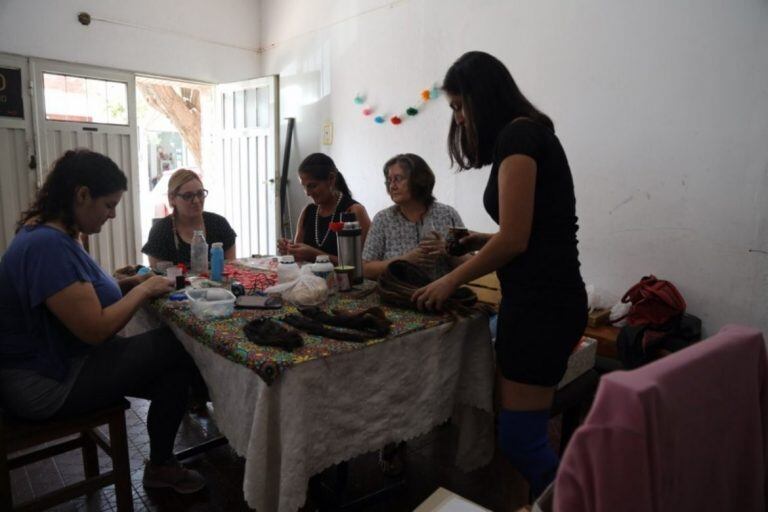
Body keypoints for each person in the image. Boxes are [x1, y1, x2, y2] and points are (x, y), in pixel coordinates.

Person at [412, 51, 588, 500]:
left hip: (542, 307)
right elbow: (531, 229)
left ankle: (579, 501)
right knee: (520, 433)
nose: (458, 117)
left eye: (457, 106)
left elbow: (515, 240)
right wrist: (476, 238)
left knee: (521, 439)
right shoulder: (529, 133)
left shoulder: (519, 137)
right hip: (544, 300)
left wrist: (450, 280)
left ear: (479, 97)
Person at [0, 149, 206, 494]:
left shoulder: (57, 234)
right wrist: (145, 290)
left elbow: (78, 296)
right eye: (109, 205)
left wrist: (130, 284)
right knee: (174, 343)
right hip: (45, 385)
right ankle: (205, 422)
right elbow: (94, 329)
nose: (112, 215)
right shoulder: (47, 246)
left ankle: (161, 465)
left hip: (62, 363)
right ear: (82, 195)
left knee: (174, 372)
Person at [363, 153, 469, 281]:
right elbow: (365, 269)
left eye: (398, 178)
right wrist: (405, 260)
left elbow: (470, 264)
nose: (392, 186)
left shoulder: (448, 214)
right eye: (389, 180)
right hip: (396, 296)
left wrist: (447, 250)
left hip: (442, 297)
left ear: (418, 180)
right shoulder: (383, 219)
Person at [277, 153, 370, 263]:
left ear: (331, 179)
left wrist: (315, 255)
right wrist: (289, 250)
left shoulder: (353, 211)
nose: (307, 193)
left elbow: (362, 264)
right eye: (304, 186)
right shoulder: (308, 211)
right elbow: (298, 257)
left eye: (312, 186)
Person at [142, 169, 236, 268]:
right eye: (188, 196)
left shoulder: (219, 224)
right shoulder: (161, 231)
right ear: (172, 198)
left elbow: (231, 269)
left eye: (200, 194)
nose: (196, 200)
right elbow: (157, 277)